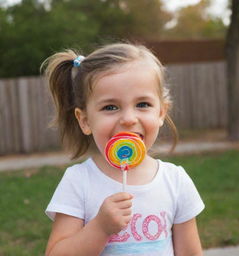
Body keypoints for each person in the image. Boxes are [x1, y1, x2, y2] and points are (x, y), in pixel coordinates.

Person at [42, 43, 205, 256]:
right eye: (110, 107)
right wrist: (100, 227)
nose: (128, 119)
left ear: (161, 113)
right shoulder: (79, 181)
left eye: (143, 104)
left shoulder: (175, 181)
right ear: (85, 121)